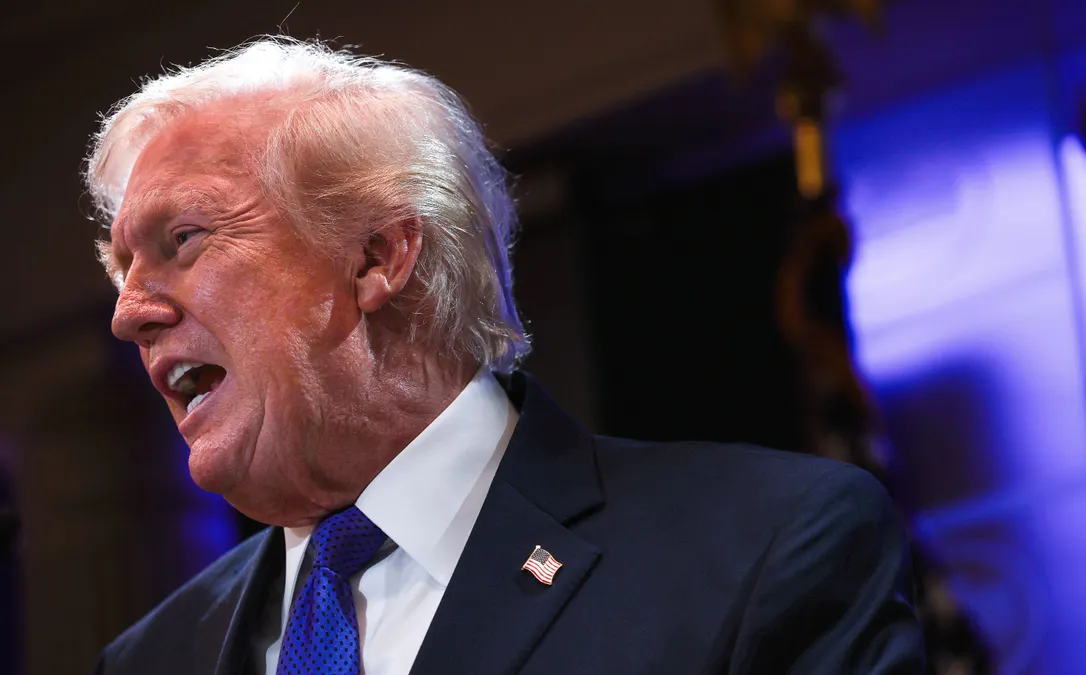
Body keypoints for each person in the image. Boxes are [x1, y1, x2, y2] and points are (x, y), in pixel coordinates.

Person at [85, 37, 924, 675]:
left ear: (378, 257)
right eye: (125, 268)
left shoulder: (767, 547)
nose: (129, 314)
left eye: (184, 239)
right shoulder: (151, 656)